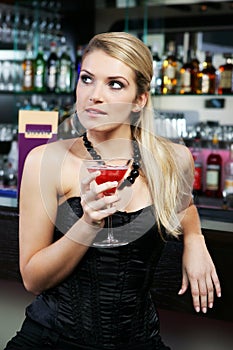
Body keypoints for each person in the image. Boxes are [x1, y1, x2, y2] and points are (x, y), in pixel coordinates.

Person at [5, 32, 221, 350]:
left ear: (140, 99)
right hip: (51, 340)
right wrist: (87, 223)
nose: (94, 95)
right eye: (87, 79)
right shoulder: (45, 160)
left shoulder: (174, 159)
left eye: (114, 84)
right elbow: (33, 279)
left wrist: (195, 238)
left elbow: (183, 205)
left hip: (139, 340)